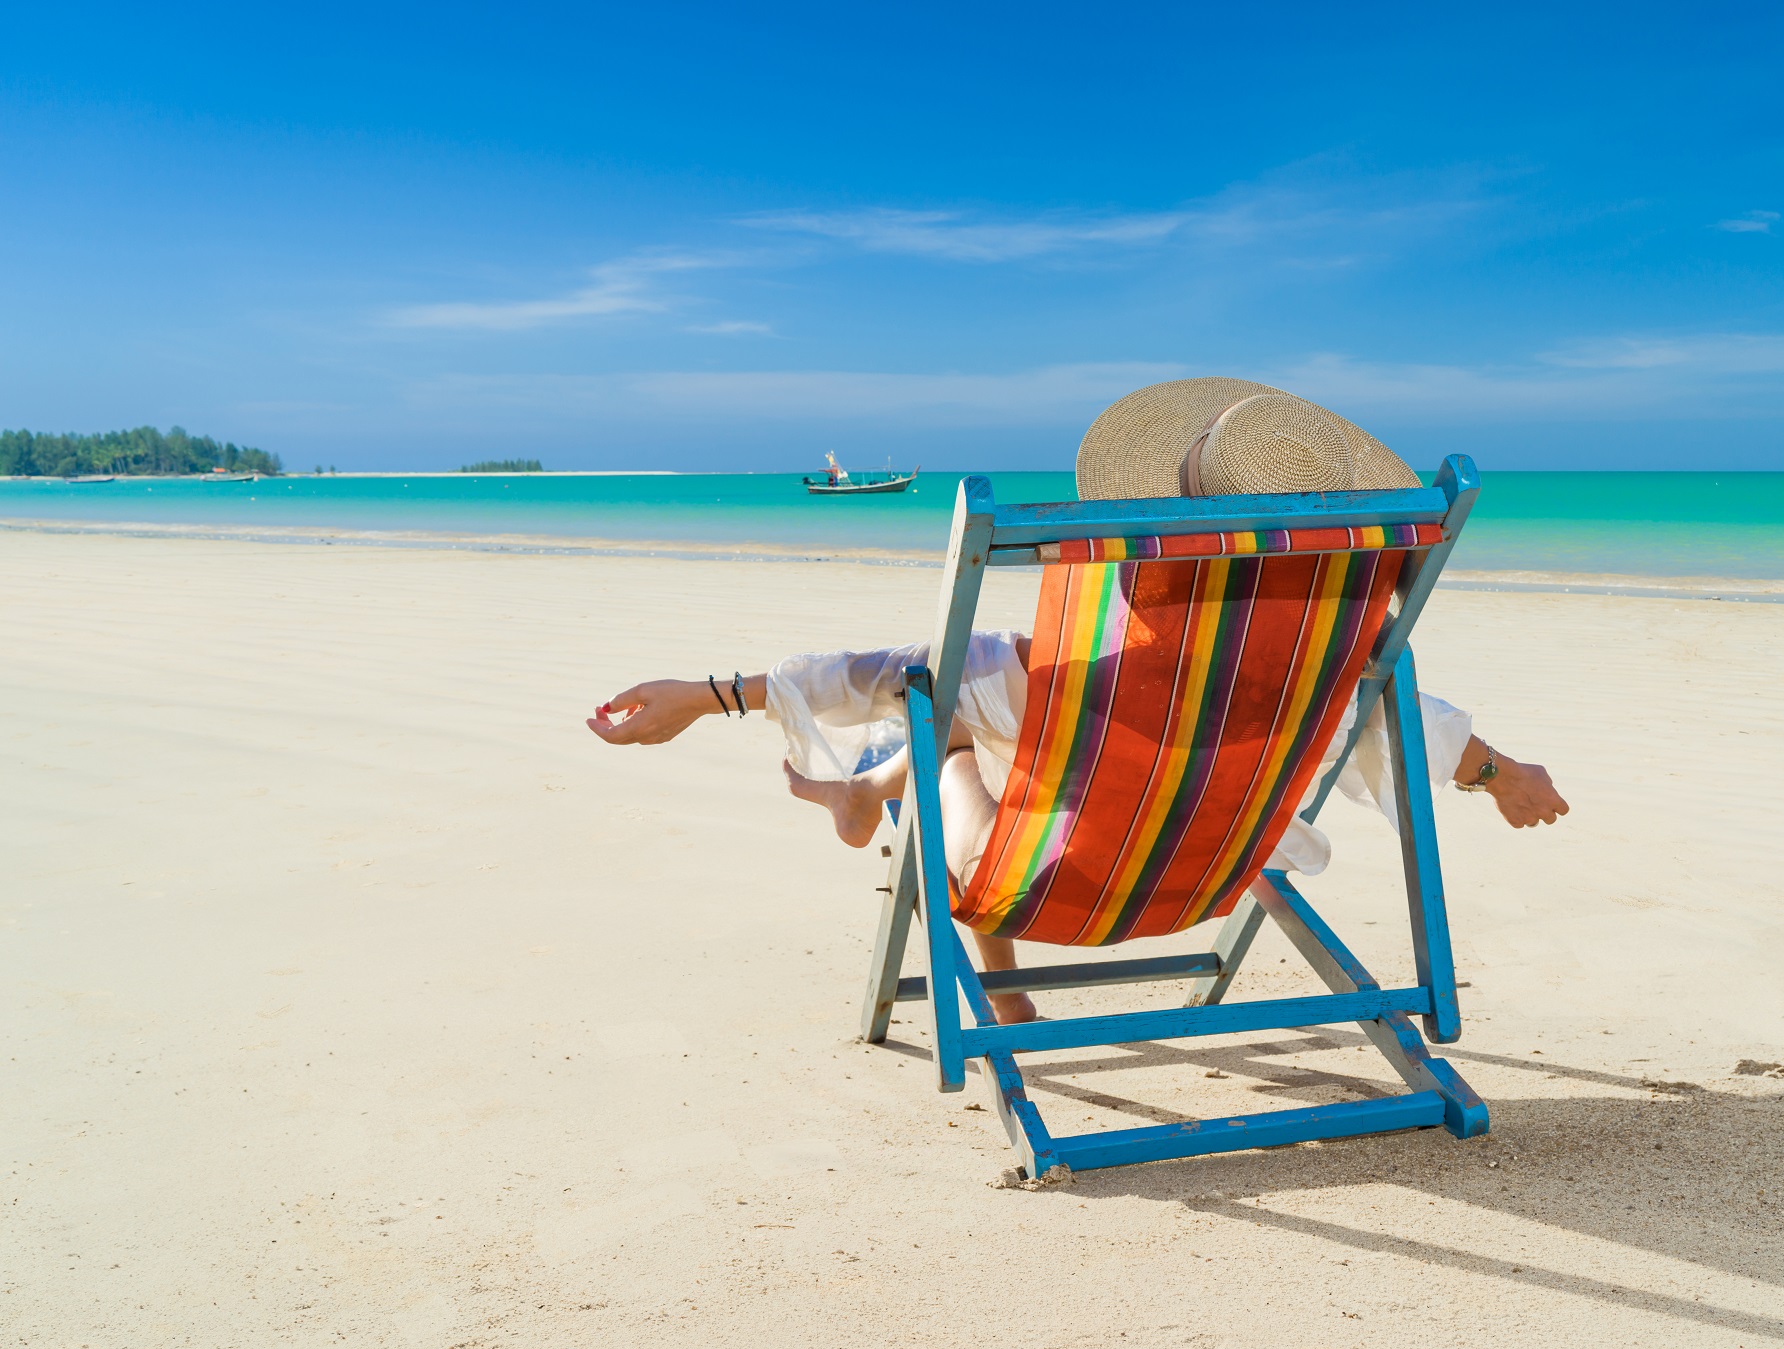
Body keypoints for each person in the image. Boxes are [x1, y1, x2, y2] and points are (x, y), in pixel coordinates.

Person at [589, 379, 1569, 1023]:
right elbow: (1418, 722)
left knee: (945, 717)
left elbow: (880, 670)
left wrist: (708, 695)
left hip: (1051, 886)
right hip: (1212, 878)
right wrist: (1507, 774)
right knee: (976, 720)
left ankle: (999, 988)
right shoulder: (1326, 675)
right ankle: (870, 788)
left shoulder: (1062, 671)